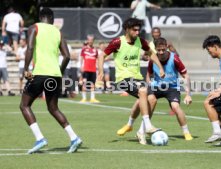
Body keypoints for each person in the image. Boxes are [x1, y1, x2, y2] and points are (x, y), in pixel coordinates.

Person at [19, 8, 82, 154]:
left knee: (24, 105)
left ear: (41, 17)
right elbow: (66, 56)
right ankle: (74, 137)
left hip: (39, 73)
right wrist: (58, 71)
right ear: (51, 18)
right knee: (53, 108)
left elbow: (29, 47)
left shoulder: (34, 27)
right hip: (55, 75)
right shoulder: (58, 32)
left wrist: (26, 68)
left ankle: (40, 138)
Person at [117, 37, 193, 144]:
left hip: (172, 88)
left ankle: (186, 132)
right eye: (159, 50)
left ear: (167, 47)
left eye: (163, 50)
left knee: (176, 107)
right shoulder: (153, 59)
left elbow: (186, 76)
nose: (161, 52)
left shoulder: (174, 58)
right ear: (155, 49)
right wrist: (149, 87)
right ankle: (129, 125)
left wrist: (188, 94)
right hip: (156, 86)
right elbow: (148, 75)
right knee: (141, 100)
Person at [97, 18, 165, 136]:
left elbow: (151, 53)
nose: (137, 32)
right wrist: (101, 71)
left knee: (152, 99)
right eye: (134, 30)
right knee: (143, 92)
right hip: (122, 79)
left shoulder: (141, 41)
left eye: (139, 30)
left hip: (137, 78)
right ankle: (148, 126)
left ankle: (136, 128)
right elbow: (102, 55)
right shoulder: (117, 42)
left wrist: (160, 67)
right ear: (127, 30)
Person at [79, 34, 100, 103]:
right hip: (86, 69)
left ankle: (92, 98)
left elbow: (97, 59)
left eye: (92, 40)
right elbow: (81, 59)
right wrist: (81, 66)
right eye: (89, 40)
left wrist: (98, 68)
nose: (90, 41)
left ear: (93, 41)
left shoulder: (95, 50)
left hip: (93, 69)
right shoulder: (84, 49)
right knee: (85, 83)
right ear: (87, 41)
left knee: (92, 84)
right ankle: (84, 98)